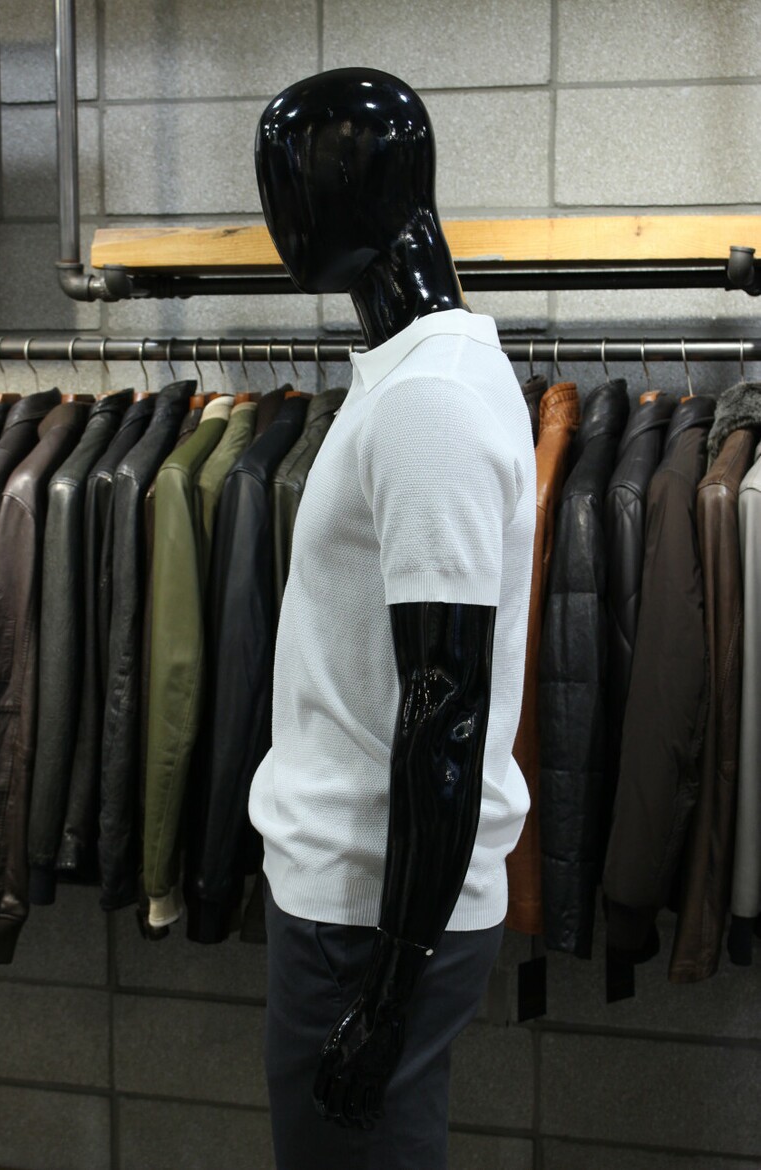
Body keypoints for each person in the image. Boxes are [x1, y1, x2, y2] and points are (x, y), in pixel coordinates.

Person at [248, 66, 536, 1169]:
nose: (280, 216)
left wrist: (387, 989)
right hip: (355, 900)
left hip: (365, 915)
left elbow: (446, 705)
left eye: (294, 181)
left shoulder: (430, 402)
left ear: (370, 187)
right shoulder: (408, 378)